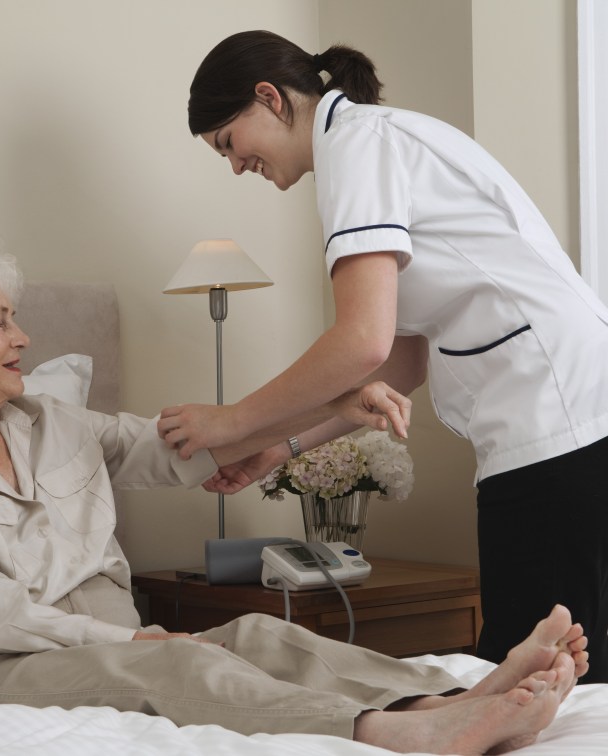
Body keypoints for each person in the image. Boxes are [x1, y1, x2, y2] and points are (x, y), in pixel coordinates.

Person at [0, 241, 589, 754]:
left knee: (257, 635)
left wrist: (337, 409)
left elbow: (183, 450)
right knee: (179, 665)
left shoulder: (54, 422)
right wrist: (130, 640)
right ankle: (393, 732)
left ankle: (453, 696)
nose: (22, 334)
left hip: (124, 645)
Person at [157, 30, 608, 683]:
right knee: (563, 683)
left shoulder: (356, 147)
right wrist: (278, 448)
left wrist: (230, 423)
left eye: (230, 142)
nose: (234, 165)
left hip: (555, 425)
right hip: (575, 420)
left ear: (270, 99)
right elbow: (398, 363)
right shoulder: (376, 139)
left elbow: (360, 340)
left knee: (528, 680)